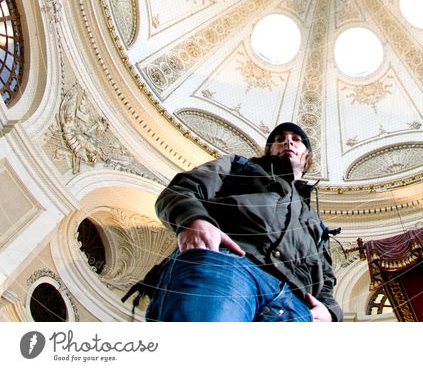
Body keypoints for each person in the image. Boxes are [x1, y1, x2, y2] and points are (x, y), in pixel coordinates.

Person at [145, 122, 342, 322]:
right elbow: (183, 188)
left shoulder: (314, 220)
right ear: (270, 149)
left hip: (295, 305)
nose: (288, 141)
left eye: (296, 139)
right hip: (229, 265)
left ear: (306, 155)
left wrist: (331, 313)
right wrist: (193, 220)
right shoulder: (237, 166)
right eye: (280, 139)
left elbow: (326, 276)